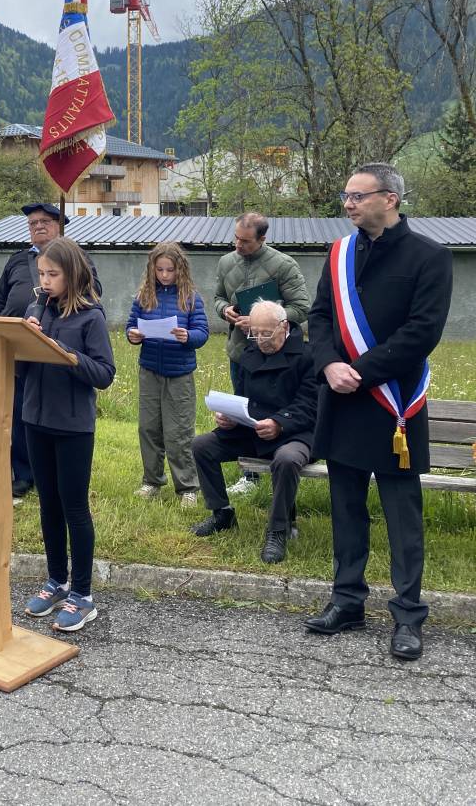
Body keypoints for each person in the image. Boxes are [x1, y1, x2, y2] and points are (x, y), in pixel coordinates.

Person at [305, 163, 452, 661]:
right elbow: (320, 315)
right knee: (346, 509)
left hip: (395, 408)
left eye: (357, 195)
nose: (347, 203)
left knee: (401, 517)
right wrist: (328, 364)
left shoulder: (430, 256)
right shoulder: (340, 253)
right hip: (342, 401)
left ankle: (408, 614)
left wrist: (360, 371)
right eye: (345, 194)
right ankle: (347, 601)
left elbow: (422, 332)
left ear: (389, 199)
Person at [20, 237, 115, 633]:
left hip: (73, 425)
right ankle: (55, 581)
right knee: (48, 505)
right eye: (41, 274)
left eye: (53, 274)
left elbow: (104, 374)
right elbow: (21, 368)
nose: (45, 281)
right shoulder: (35, 310)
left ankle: (83, 594)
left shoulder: (90, 318)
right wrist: (23, 341)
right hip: (35, 419)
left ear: (72, 274)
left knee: (74, 507)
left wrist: (65, 353)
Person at [190, 300, 317, 563]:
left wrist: (279, 423)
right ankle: (222, 513)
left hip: (295, 432)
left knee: (286, 459)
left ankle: (278, 530)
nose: (260, 339)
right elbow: (245, 399)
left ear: (284, 327)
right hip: (253, 431)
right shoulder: (250, 352)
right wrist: (231, 416)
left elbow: (310, 405)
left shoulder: (307, 356)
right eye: (254, 333)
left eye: (266, 333)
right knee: (202, 445)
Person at [0, 202, 100, 499]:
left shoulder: (78, 259)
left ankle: (49, 473)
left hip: (57, 353)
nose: (38, 226)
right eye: (33, 223)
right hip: (20, 349)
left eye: (45, 222)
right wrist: (4, 328)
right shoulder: (16, 260)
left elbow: (92, 295)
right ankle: (24, 474)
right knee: (20, 414)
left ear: (60, 226)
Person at [213, 212, 311, 497]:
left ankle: (284, 463)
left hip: (278, 357)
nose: (238, 245)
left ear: (262, 239)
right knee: (244, 410)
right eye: (236, 238)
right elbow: (218, 297)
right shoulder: (226, 262)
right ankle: (250, 474)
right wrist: (224, 311)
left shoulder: (283, 265)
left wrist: (263, 322)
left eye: (245, 241)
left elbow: (301, 308)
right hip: (242, 352)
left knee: (278, 411)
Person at [125, 242, 209, 507]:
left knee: (178, 433)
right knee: (148, 428)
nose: (163, 275)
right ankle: (152, 481)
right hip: (150, 370)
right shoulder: (143, 296)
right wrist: (133, 335)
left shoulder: (191, 298)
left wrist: (188, 336)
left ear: (179, 269)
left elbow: (202, 333)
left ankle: (187, 488)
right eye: (159, 269)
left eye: (169, 270)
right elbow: (131, 326)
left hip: (179, 374)